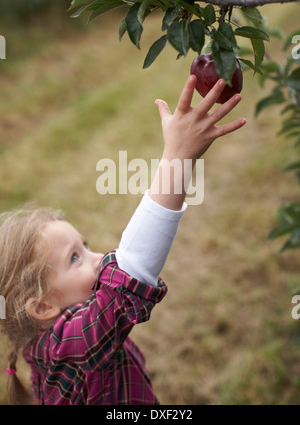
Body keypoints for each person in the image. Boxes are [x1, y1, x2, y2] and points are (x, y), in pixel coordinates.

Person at [0, 75, 246, 405]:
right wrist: (178, 156)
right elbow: (129, 274)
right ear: (42, 307)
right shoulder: (67, 348)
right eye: (75, 258)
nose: (99, 257)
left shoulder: (59, 343)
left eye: (84, 247)